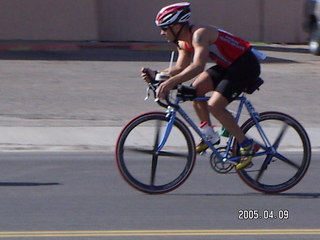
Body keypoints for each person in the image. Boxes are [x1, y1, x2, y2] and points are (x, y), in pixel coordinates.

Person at [141, 2, 262, 170]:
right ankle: (210, 134)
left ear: (176, 26)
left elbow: (198, 66)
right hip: (228, 66)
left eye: (165, 28)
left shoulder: (199, 34)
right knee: (195, 90)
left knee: (215, 105)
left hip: (245, 64)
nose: (162, 33)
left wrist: (171, 82)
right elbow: (180, 68)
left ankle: (247, 144)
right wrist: (158, 75)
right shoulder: (183, 42)